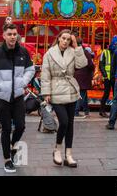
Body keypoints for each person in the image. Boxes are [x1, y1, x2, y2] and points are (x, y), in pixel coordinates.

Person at [0, 23, 35, 173]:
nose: (12, 37)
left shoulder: (23, 52)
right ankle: (7, 160)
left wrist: (23, 82)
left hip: (18, 96)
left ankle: (12, 147)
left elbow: (30, 69)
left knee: (21, 126)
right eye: (9, 34)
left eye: (14, 34)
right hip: (2, 97)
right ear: (4, 36)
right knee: (5, 128)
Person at [41, 29, 88, 167]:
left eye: (68, 39)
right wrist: (46, 93)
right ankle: (57, 148)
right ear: (59, 38)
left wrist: (77, 46)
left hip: (70, 89)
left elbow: (82, 64)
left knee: (71, 124)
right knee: (64, 122)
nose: (66, 41)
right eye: (64, 38)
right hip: (56, 90)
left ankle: (69, 154)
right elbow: (45, 74)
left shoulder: (73, 52)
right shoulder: (49, 54)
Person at [99, 36, 117, 117]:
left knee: (116, 95)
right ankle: (102, 111)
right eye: (115, 44)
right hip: (107, 77)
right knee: (106, 94)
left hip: (116, 77)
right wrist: (104, 75)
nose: (116, 46)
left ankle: (115, 112)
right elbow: (101, 65)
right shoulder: (104, 52)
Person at [74, 40, 95, 118]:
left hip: (76, 75)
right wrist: (93, 68)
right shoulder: (85, 52)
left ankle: (86, 110)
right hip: (84, 76)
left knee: (83, 93)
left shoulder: (73, 52)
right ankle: (76, 111)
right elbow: (90, 64)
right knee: (81, 94)